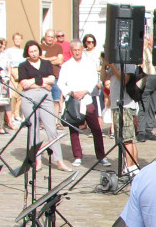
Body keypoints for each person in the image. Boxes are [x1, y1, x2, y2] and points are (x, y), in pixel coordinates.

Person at [18, 39, 71, 171]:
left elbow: (52, 80)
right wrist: (41, 82)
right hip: (29, 97)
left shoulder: (46, 63)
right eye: (31, 51)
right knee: (33, 129)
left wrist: (33, 82)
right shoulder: (23, 65)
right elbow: (24, 84)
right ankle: (37, 159)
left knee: (52, 129)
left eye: (35, 50)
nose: (34, 53)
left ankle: (59, 160)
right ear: (27, 53)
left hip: (45, 97)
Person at [58, 40, 110, 167]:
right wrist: (71, 92)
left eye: (79, 50)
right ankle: (77, 156)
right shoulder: (66, 65)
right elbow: (60, 83)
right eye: (74, 50)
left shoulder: (89, 63)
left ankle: (101, 156)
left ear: (82, 50)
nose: (77, 52)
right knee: (74, 129)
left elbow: (93, 80)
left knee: (96, 129)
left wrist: (85, 91)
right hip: (73, 100)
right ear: (71, 51)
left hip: (86, 99)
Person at [105, 54, 141, 174]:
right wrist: (105, 65)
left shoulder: (128, 63)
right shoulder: (114, 64)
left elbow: (124, 80)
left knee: (127, 139)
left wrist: (113, 67)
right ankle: (133, 166)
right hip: (116, 104)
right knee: (125, 138)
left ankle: (130, 167)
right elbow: (103, 77)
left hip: (125, 105)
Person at [40, 28, 65, 119]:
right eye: (48, 36)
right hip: (43, 78)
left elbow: (60, 60)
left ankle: (55, 121)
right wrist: (53, 58)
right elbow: (40, 60)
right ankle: (43, 121)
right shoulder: (40, 47)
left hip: (55, 77)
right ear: (45, 37)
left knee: (56, 100)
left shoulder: (58, 47)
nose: (50, 39)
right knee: (42, 100)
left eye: (52, 37)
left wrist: (46, 59)